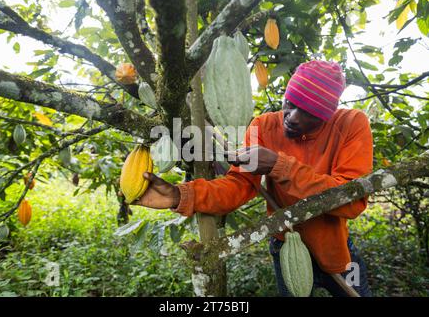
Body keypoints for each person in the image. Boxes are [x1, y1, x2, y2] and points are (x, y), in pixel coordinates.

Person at [134, 60, 373, 297]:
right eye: (290, 103)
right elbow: (238, 186)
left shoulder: (351, 124)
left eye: (308, 113)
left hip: (338, 254)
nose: (292, 117)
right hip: (286, 250)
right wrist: (180, 195)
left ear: (326, 116)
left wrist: (279, 166)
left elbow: (352, 200)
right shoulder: (265, 126)